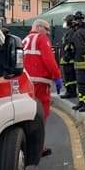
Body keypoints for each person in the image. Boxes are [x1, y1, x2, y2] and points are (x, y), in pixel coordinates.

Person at [22, 19, 62, 157]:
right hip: (40, 82)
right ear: (39, 27)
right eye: (47, 29)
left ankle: (26, 145)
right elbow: (49, 60)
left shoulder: (25, 40)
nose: (48, 33)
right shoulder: (41, 38)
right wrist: (57, 76)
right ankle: (38, 147)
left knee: (28, 114)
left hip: (26, 82)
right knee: (42, 114)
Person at [71, 11, 85, 112]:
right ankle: (82, 101)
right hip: (84, 62)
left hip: (80, 62)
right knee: (81, 84)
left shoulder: (78, 33)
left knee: (82, 84)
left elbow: (80, 49)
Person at [59, 14, 77, 99]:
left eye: (66, 21)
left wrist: (68, 56)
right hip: (67, 59)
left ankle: (70, 92)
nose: (65, 23)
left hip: (69, 60)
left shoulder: (71, 32)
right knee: (69, 78)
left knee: (69, 78)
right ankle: (70, 91)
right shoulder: (70, 31)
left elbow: (70, 45)